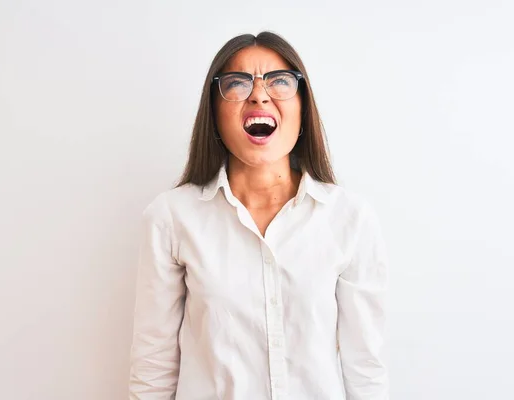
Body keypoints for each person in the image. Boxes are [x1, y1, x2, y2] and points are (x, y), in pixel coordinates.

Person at [128, 31, 389, 400]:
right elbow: (153, 367)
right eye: (237, 83)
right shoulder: (171, 218)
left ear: (303, 106)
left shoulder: (350, 219)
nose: (259, 95)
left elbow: (366, 369)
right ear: (214, 113)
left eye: (280, 81)